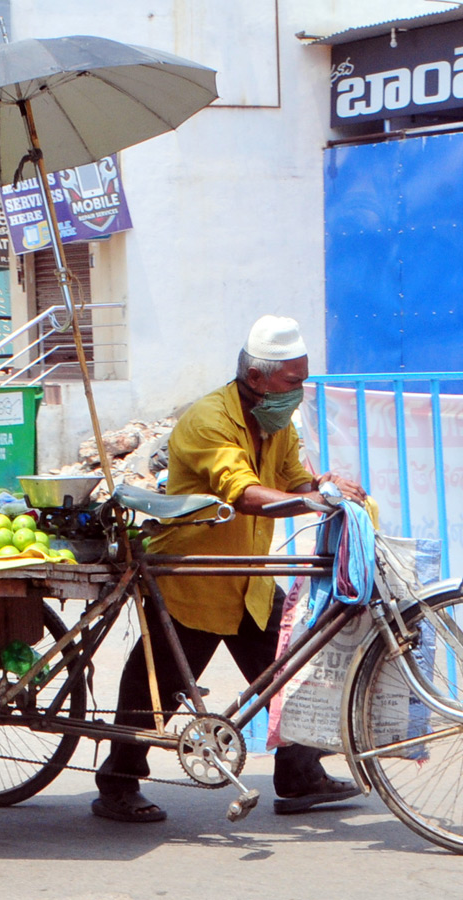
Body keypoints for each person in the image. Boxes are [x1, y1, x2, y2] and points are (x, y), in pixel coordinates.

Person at [92, 315, 368, 823]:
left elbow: (291, 480)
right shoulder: (208, 421)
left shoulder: (275, 420)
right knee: (158, 687)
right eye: (292, 382)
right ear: (258, 378)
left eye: (303, 380)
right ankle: (117, 784)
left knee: (291, 669)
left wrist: (321, 487)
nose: (299, 392)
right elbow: (244, 493)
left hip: (248, 576)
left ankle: (299, 774)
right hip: (192, 575)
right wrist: (310, 500)